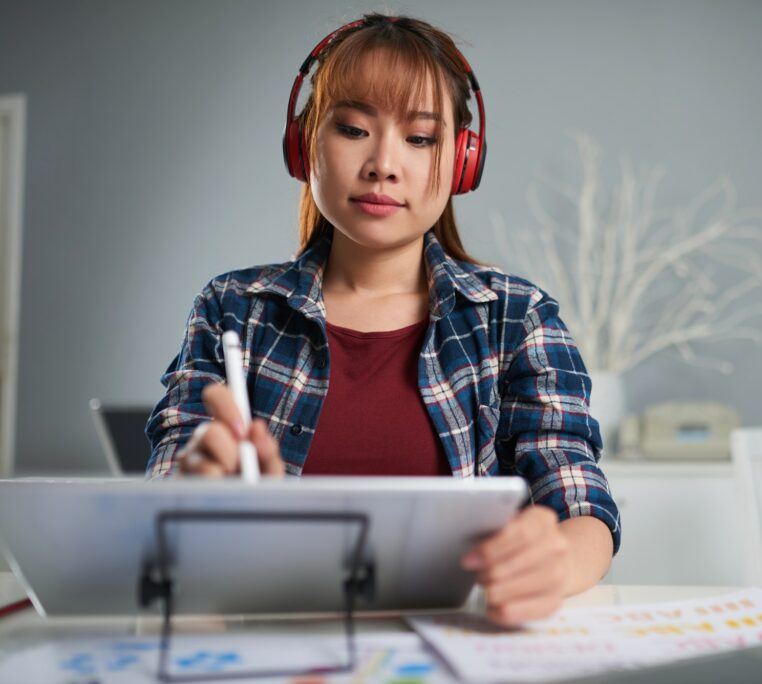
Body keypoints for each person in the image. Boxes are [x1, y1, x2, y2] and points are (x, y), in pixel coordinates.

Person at [145, 12, 620, 626]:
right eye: (352, 129)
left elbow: (578, 495)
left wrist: (555, 559)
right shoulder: (232, 310)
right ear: (303, 144)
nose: (383, 165)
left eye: (420, 138)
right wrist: (193, 494)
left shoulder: (516, 318)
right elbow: (166, 492)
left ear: (462, 161)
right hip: (269, 648)